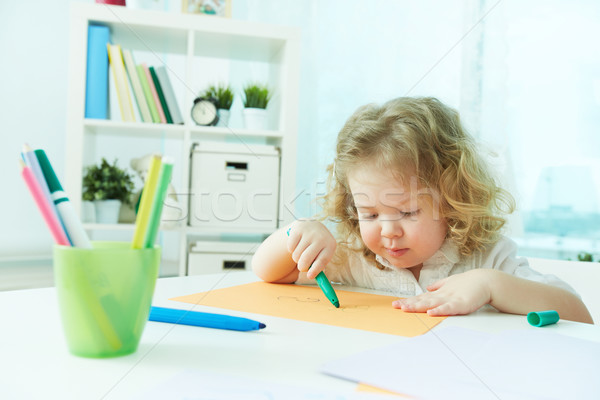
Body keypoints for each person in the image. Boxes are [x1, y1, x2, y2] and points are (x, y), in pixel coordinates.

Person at [252, 97, 593, 324]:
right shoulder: (354, 256)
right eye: (369, 214)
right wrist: (295, 234)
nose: (387, 230)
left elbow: (578, 315)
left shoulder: (484, 258)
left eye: (407, 212)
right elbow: (268, 271)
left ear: (453, 198)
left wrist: (492, 285)